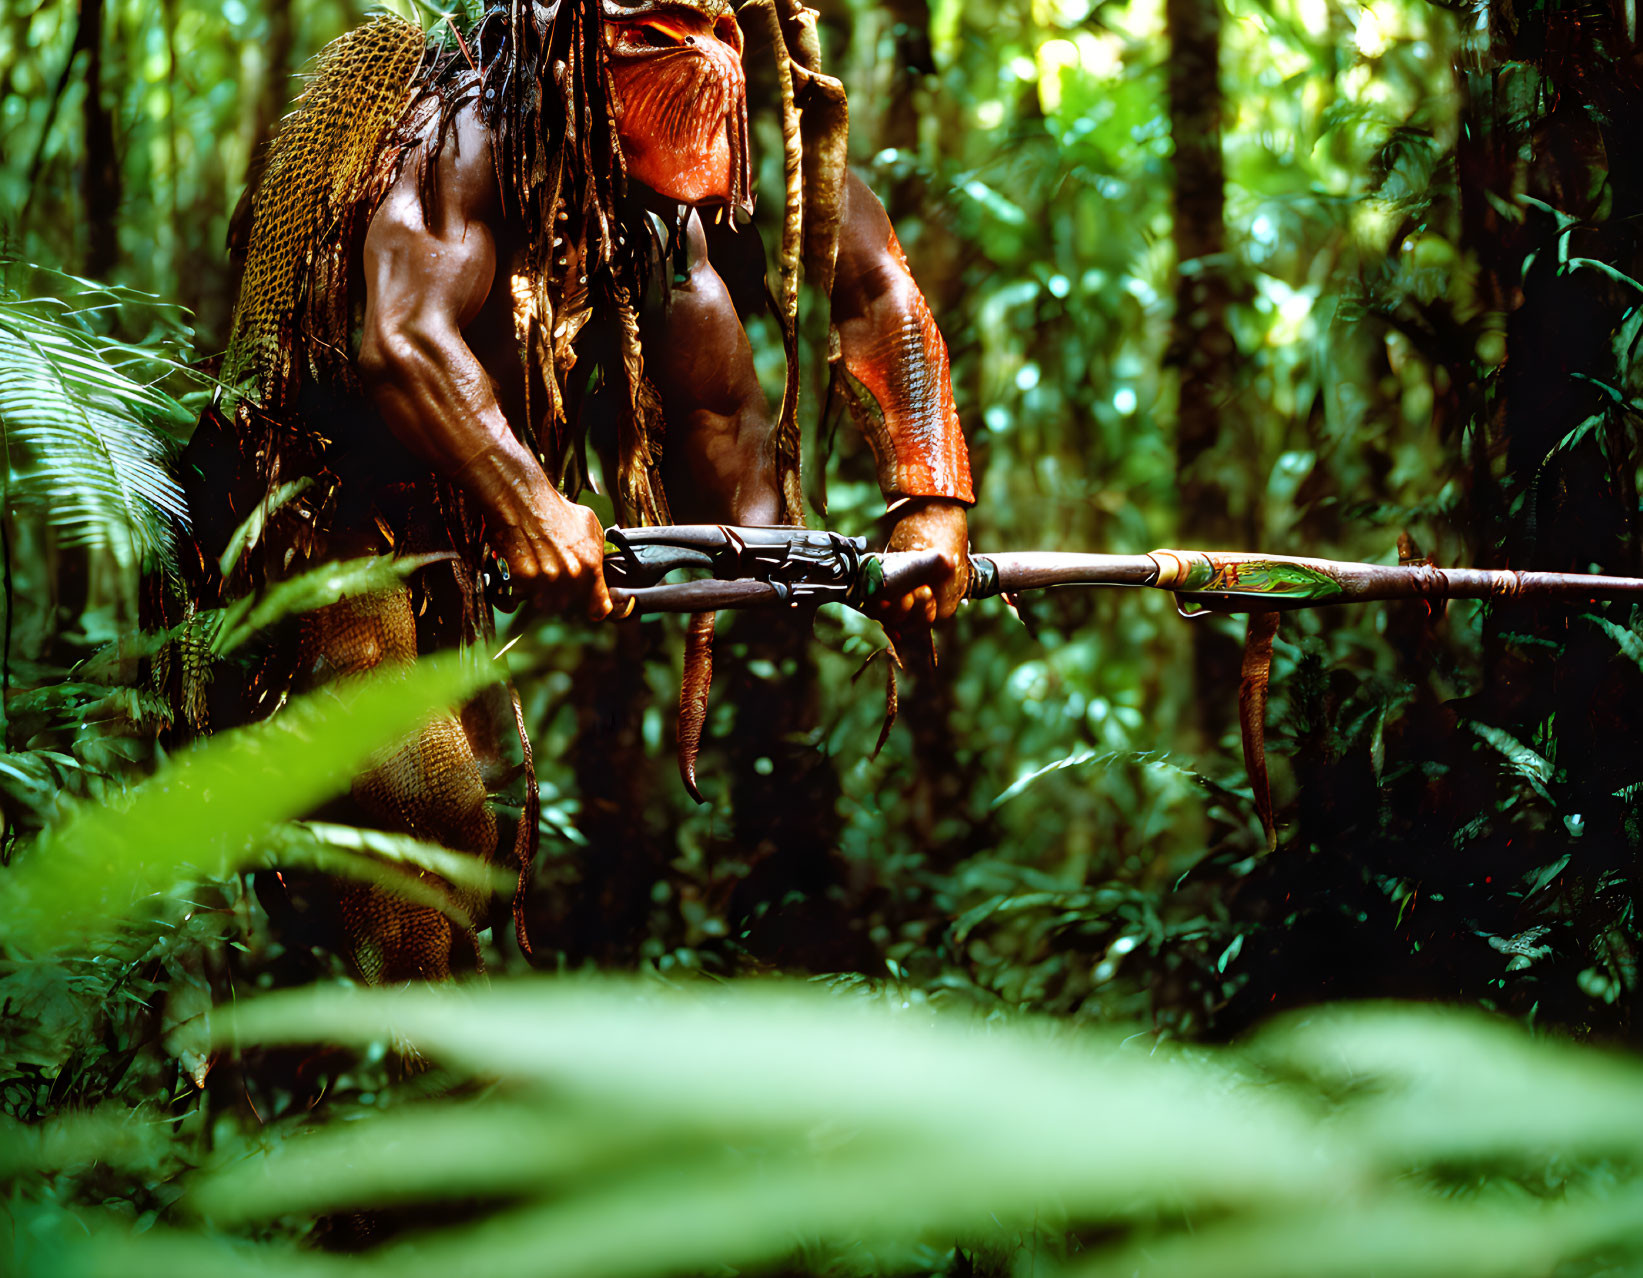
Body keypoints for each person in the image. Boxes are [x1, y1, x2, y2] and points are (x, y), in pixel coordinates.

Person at [166, 0, 974, 981]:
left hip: (453, 528)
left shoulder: (706, 150)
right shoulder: (465, 122)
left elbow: (871, 285)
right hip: (326, 511)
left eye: (716, 23)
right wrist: (528, 503)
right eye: (662, 25)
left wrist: (924, 498)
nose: (701, 48)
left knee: (691, 284)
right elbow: (405, 337)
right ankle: (428, 1084)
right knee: (429, 806)